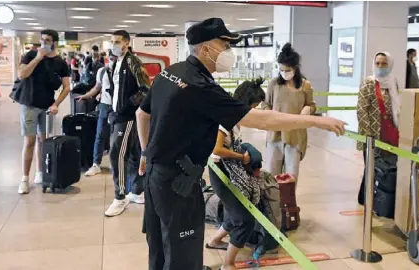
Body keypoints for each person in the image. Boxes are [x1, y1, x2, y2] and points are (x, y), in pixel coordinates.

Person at [135, 17, 346, 270]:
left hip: (156, 177)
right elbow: (262, 119)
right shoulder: (200, 86)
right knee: (182, 257)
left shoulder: (172, 72)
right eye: (223, 45)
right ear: (205, 49)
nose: (228, 52)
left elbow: (142, 114)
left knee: (159, 250)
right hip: (178, 184)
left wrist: (146, 152)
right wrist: (314, 122)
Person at [206, 78, 266, 269]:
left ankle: (215, 241)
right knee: (245, 220)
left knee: (235, 212)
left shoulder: (233, 117)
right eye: (255, 106)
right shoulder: (227, 118)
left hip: (226, 171)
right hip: (221, 173)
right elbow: (217, 149)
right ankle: (228, 264)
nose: (255, 110)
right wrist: (242, 158)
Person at [16, 29, 71, 194]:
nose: (44, 43)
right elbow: (21, 74)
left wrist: (56, 103)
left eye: (47, 40)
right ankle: (24, 178)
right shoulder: (31, 55)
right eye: (42, 40)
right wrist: (38, 58)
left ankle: (40, 173)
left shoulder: (60, 63)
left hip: (46, 106)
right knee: (30, 141)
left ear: (54, 42)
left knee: (43, 140)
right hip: (29, 104)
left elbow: (67, 86)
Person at [104, 30, 151, 217]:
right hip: (117, 115)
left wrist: (126, 108)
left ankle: (120, 196)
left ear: (127, 43)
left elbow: (145, 89)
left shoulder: (133, 62)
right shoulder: (116, 62)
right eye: (112, 42)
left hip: (128, 117)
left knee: (117, 154)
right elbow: (116, 90)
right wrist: (112, 110)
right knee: (132, 154)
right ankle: (137, 190)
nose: (114, 45)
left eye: (117, 42)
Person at [263, 43, 317, 188]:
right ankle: (271, 205)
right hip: (275, 136)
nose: (284, 73)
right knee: (271, 176)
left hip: (295, 137)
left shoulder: (305, 85)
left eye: (288, 70)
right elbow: (266, 104)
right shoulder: (274, 84)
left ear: (295, 68)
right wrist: (268, 113)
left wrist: (308, 109)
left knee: (291, 177)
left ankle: (288, 205)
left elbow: (312, 105)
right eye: (281, 69)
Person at [356, 51, 400, 205]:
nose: (380, 66)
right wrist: (368, 135)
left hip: (388, 133)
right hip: (372, 133)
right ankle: (365, 199)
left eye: (384, 63)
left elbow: (397, 107)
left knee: (383, 167)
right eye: (377, 63)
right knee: (371, 167)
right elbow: (362, 109)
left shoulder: (392, 82)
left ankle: (376, 198)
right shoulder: (369, 82)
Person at [77, 51, 116, 176]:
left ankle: (115, 162)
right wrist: (86, 96)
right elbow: (97, 87)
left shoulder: (123, 71)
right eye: (111, 58)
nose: (112, 60)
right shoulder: (102, 71)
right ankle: (96, 164)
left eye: (115, 58)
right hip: (104, 105)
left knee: (116, 136)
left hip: (118, 107)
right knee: (100, 134)